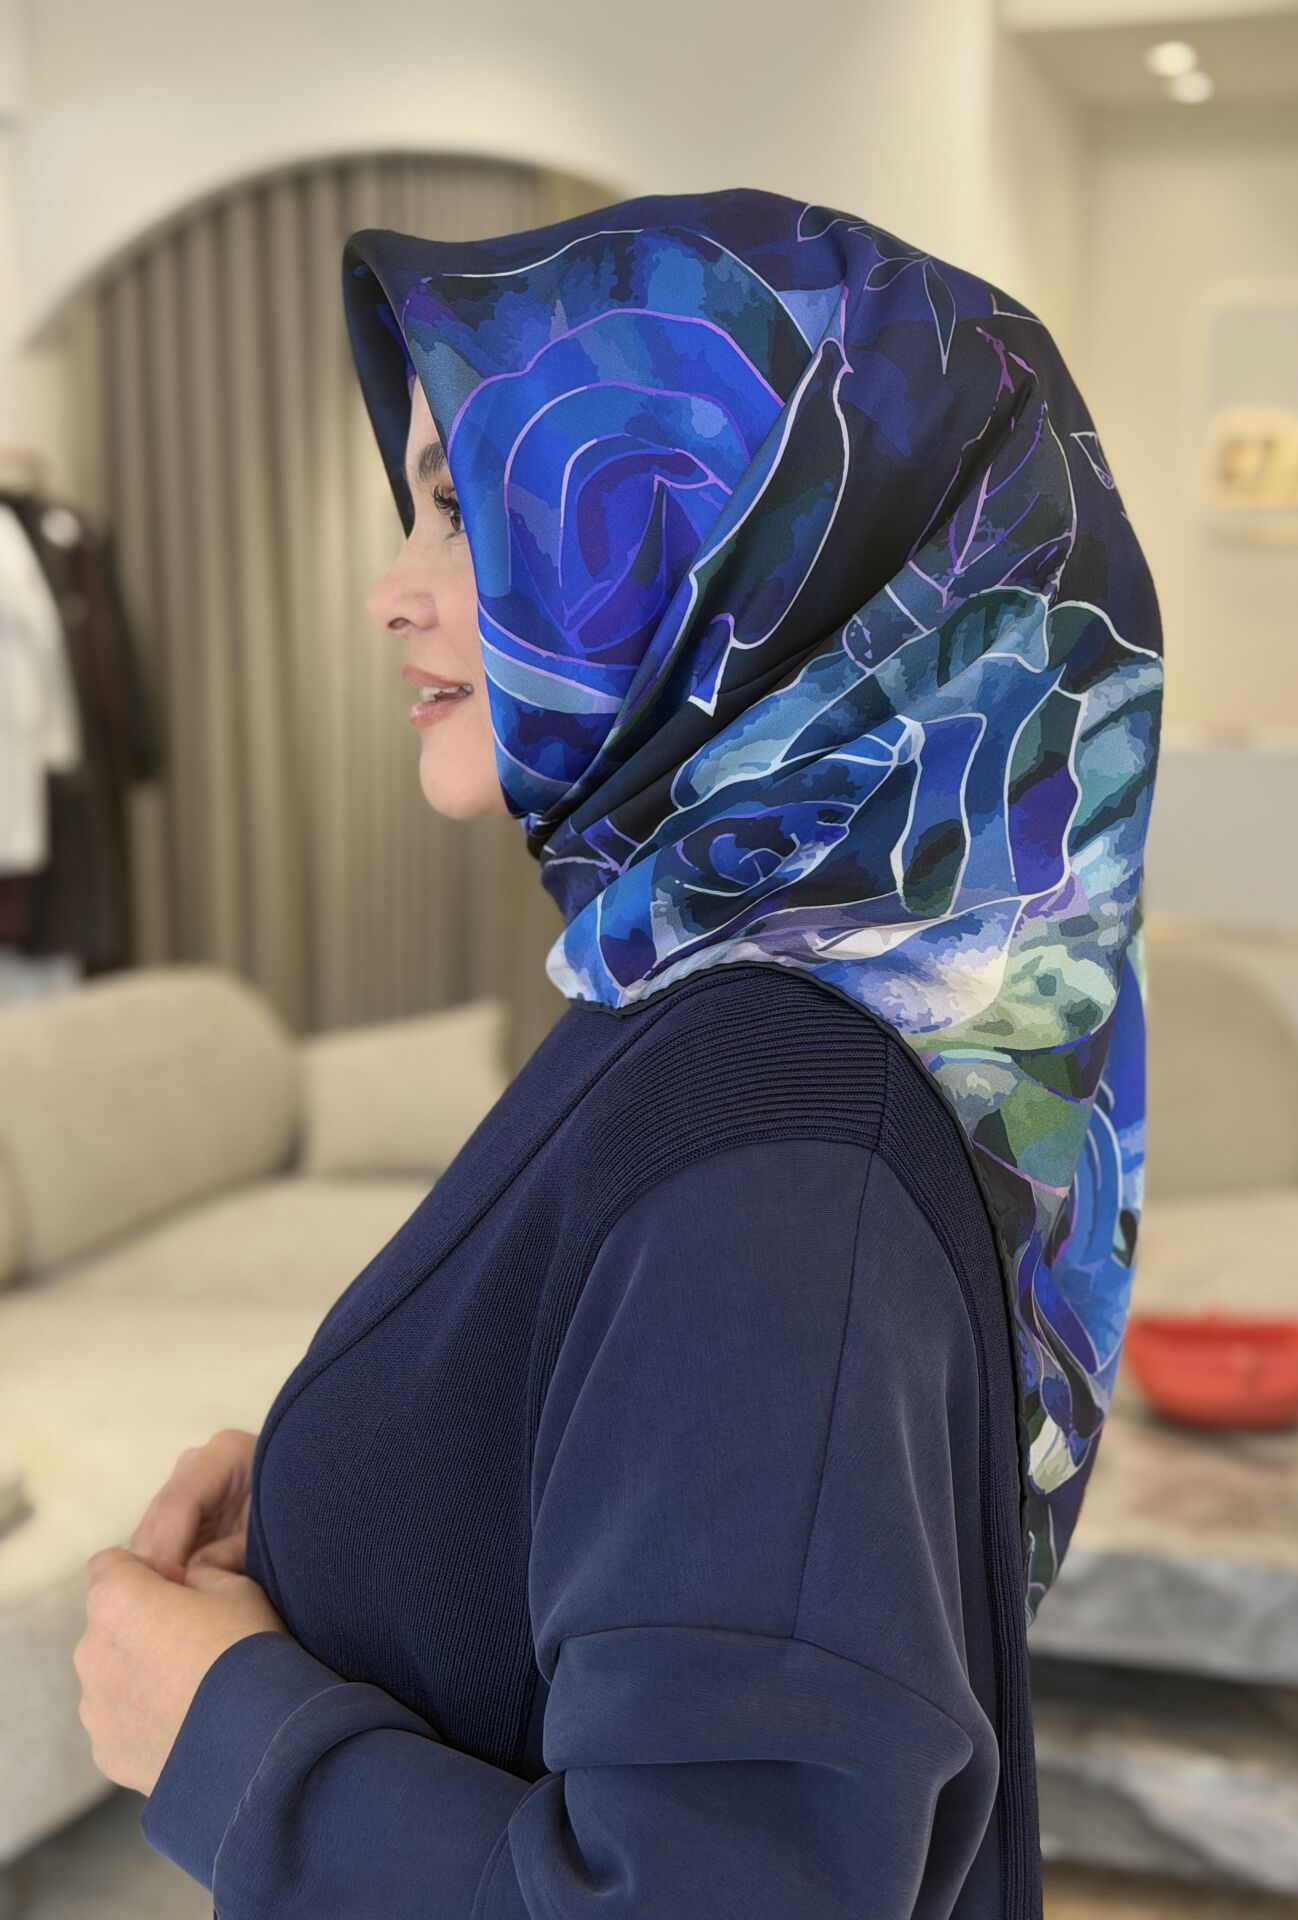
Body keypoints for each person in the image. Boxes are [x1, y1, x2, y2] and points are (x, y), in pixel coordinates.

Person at [77, 186, 1163, 1918]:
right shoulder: (704, 1000)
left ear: (737, 556)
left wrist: (228, 1742)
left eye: (462, 509)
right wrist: (355, 1500)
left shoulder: (785, 1158)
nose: (390, 594)